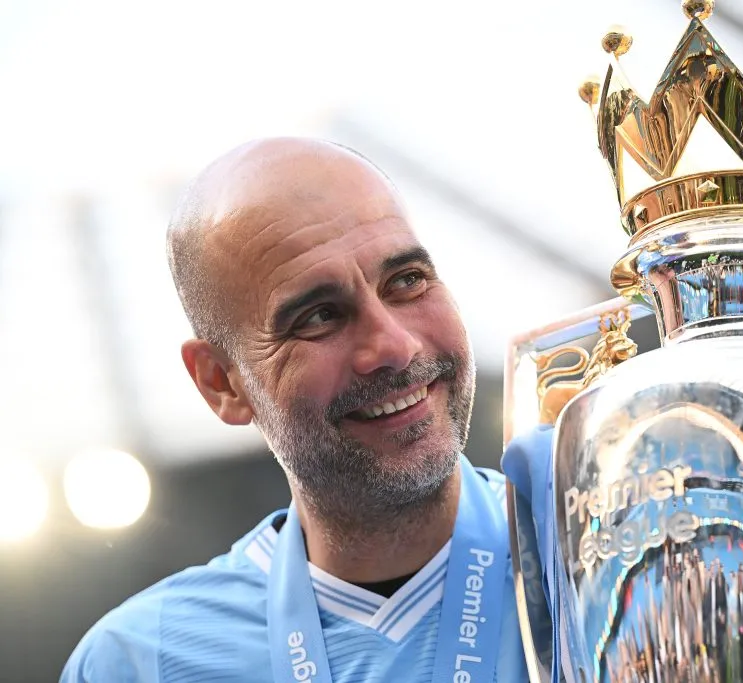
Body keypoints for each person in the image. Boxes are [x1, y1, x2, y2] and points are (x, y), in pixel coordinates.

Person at [60, 137, 527, 682]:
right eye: (319, 316)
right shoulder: (139, 663)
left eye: (406, 281)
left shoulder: (587, 551)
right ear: (221, 383)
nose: (394, 346)